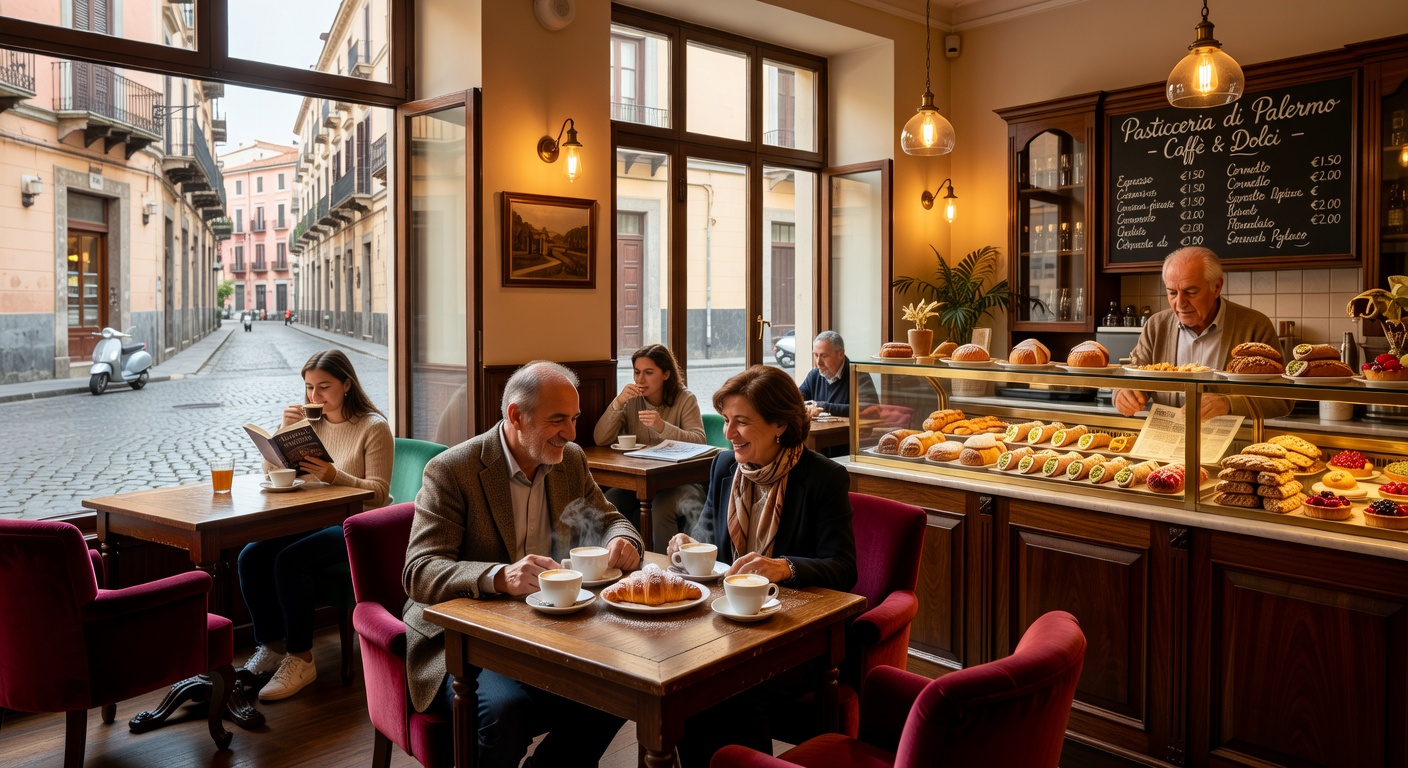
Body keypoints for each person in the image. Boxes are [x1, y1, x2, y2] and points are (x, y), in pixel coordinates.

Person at [403, 361, 644, 768]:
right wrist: (499, 576)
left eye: (574, 418)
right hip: (466, 636)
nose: (571, 433)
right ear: (516, 416)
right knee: (506, 712)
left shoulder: (570, 460)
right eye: (557, 420)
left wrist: (623, 539)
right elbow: (419, 572)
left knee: (623, 688)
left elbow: (610, 519)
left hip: (547, 628)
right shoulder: (452, 470)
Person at [667, 365, 858, 767]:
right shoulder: (724, 466)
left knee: (731, 697)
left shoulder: (824, 478)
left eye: (742, 422)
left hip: (795, 635)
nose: (729, 433)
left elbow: (844, 568)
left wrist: (784, 567)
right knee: (683, 690)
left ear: (779, 425)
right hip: (727, 627)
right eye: (726, 420)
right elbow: (708, 536)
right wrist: (689, 544)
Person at [237, 349, 394, 701]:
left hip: (359, 524)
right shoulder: (310, 424)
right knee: (251, 557)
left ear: (347, 384)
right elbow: (273, 472)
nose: (314, 395)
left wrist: (333, 474)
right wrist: (283, 431)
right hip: (316, 518)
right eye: (309, 387)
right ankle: (272, 647)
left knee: (290, 561)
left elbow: (380, 492)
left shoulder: (373, 427)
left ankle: (301, 658)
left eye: (324, 387)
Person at [1113, 247, 1287, 420]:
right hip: (1167, 435)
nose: (1180, 303)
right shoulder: (1156, 326)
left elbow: (1282, 400)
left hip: (1235, 437)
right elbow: (1131, 376)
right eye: (1172, 292)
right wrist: (1122, 394)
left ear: (1217, 287)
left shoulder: (1255, 326)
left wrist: (1229, 404)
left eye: (1191, 292)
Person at [593, 343, 707, 551]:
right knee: (610, 500)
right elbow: (600, 439)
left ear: (666, 374)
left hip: (680, 481)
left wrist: (662, 427)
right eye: (637, 372)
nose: (640, 380)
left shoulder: (685, 399)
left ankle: (668, 564)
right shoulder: (631, 401)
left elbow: (699, 440)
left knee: (661, 506)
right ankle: (617, 558)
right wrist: (618, 403)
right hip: (642, 481)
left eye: (648, 372)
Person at [798, 330, 877, 420]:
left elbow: (870, 409)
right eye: (816, 355)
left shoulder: (858, 375)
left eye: (824, 356)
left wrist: (825, 407)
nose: (818, 362)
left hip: (847, 429)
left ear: (841, 354)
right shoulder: (814, 375)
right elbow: (795, 401)